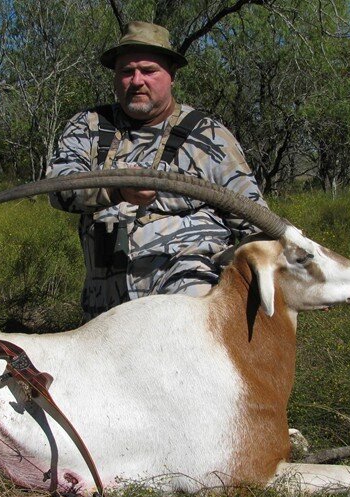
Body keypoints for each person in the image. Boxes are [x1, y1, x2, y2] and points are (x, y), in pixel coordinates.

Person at [48, 21, 266, 320]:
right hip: (107, 310)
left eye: (148, 71)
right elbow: (58, 190)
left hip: (191, 308)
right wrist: (116, 191)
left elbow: (255, 223)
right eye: (127, 71)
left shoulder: (210, 136)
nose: (137, 80)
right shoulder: (88, 126)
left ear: (171, 75)